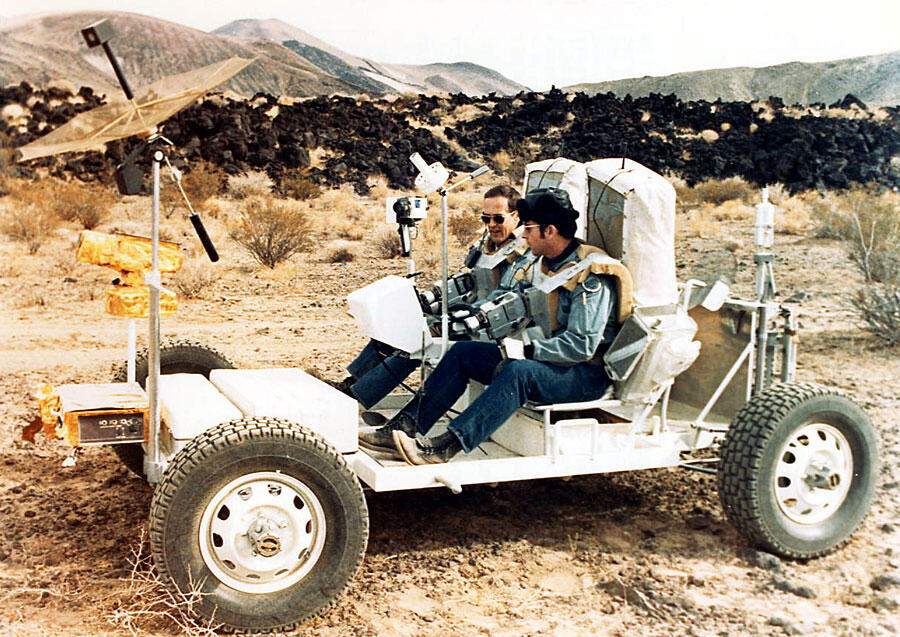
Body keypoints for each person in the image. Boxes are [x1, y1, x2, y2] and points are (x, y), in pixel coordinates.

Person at [360, 187, 630, 464]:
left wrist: (524, 350)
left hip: (583, 375)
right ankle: (405, 427)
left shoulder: (590, 276)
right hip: (548, 362)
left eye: (528, 227)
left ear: (550, 230)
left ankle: (443, 448)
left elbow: (580, 346)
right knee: (463, 353)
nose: (522, 235)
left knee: (519, 371)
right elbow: (509, 299)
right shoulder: (541, 264)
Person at [347, 185, 523, 413]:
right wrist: (429, 300)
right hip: (470, 315)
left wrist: (451, 319)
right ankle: (352, 381)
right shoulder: (487, 244)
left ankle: (358, 396)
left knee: (419, 337)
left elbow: (506, 301)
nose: (491, 225)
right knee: (403, 321)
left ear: (516, 216)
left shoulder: (522, 254)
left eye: (498, 219)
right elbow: (467, 280)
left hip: (493, 327)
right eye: (485, 218)